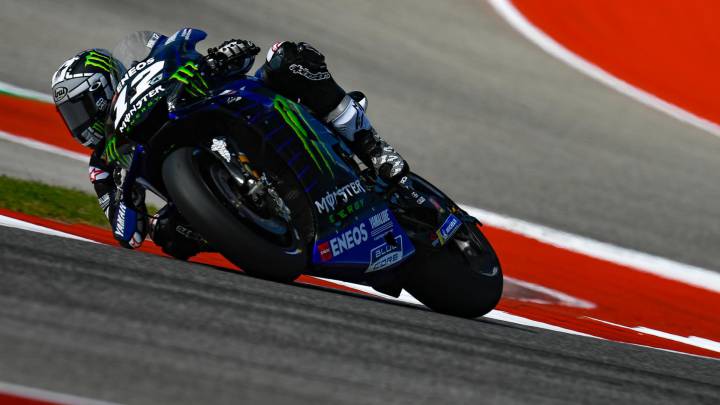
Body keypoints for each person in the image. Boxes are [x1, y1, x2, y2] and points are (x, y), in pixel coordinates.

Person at [50, 30, 408, 259]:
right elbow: (127, 234)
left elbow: (242, 56)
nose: (77, 124)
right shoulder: (103, 165)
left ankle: (373, 148)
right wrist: (125, 189)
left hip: (244, 115)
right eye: (69, 115)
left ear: (102, 89)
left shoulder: (146, 79)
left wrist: (221, 58)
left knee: (287, 57)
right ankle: (252, 233)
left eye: (79, 109)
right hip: (212, 199)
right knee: (168, 233)